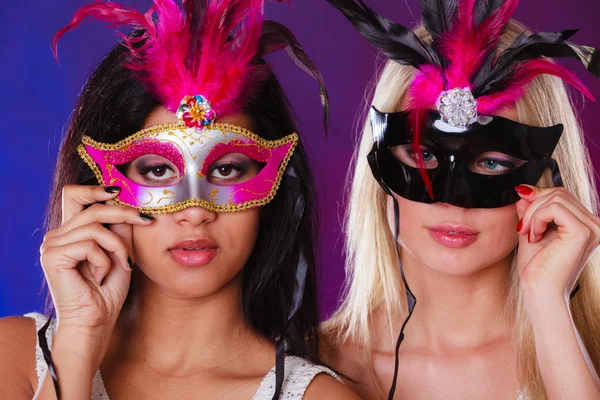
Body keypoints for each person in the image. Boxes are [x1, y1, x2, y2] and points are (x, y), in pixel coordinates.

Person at [0, 1, 359, 399]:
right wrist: (79, 339)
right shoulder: (11, 355)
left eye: (227, 170)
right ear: (101, 187)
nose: (195, 212)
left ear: (273, 184)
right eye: (157, 171)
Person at [322, 0, 600, 399]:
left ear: (545, 178)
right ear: (379, 165)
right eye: (424, 155)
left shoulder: (588, 353)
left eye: (491, 162)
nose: (452, 203)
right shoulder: (312, 368)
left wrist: (548, 306)